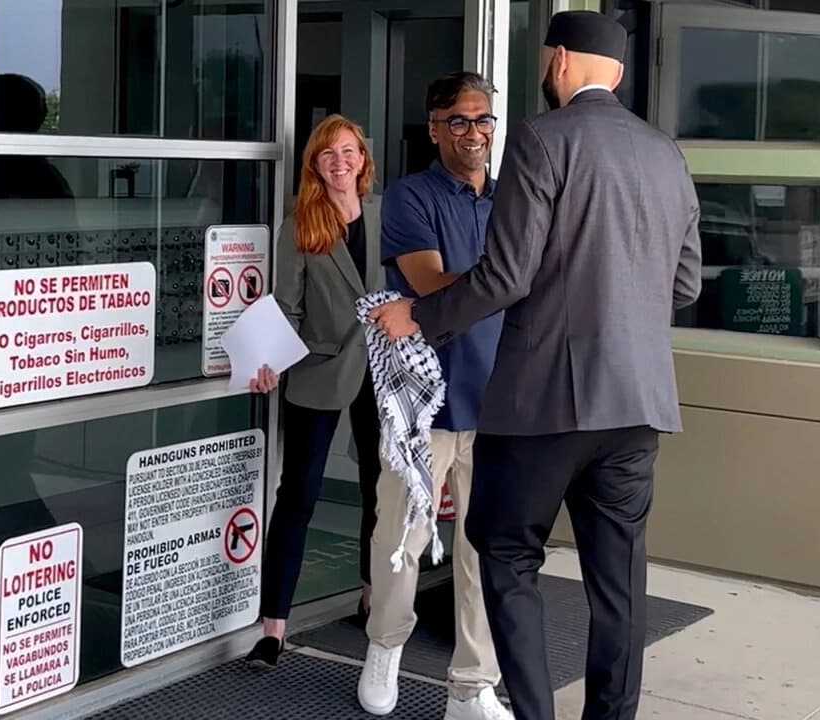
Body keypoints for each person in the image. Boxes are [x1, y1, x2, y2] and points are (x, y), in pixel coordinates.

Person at [369, 11, 702, 720]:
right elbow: (683, 285)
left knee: (504, 553)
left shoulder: (541, 138)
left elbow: (506, 275)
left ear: (557, 62)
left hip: (544, 402)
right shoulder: (664, 152)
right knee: (619, 582)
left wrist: (416, 316)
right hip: (638, 405)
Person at [357, 72, 512, 720]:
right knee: (402, 539)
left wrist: (488, 287)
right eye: (459, 121)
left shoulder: (510, 200)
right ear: (434, 127)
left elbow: (461, 294)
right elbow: (432, 285)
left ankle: (471, 687)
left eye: (483, 121)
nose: (473, 133)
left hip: (501, 402)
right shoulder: (410, 197)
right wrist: (508, 281)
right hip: (427, 404)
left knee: (488, 554)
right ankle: (384, 647)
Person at [246, 114, 384, 668]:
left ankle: (373, 596)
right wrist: (266, 359)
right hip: (318, 369)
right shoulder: (301, 223)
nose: (340, 161)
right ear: (314, 165)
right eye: (328, 153)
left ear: (362, 160)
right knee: (298, 496)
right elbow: (286, 306)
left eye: (348, 151)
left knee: (381, 491)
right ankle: (273, 626)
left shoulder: (386, 215)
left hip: (380, 371)